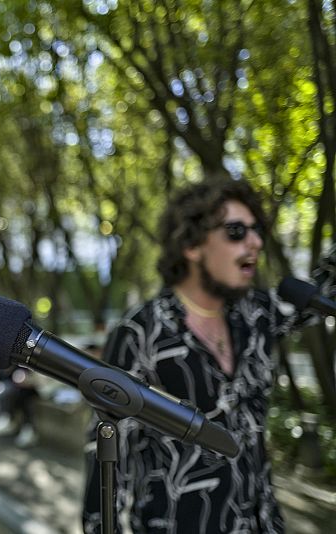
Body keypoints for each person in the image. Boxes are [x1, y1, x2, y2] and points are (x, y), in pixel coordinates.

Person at [82, 178, 335, 534]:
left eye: (257, 230)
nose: (255, 242)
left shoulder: (258, 314)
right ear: (192, 244)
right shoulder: (140, 332)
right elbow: (106, 448)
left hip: (262, 524)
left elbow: (328, 284)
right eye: (236, 231)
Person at [0, 365, 40, 447]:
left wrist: (26, 379)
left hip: (23, 391)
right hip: (8, 392)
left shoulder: (22, 364)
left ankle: (24, 428)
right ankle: (2, 422)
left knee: (23, 399)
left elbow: (36, 381)